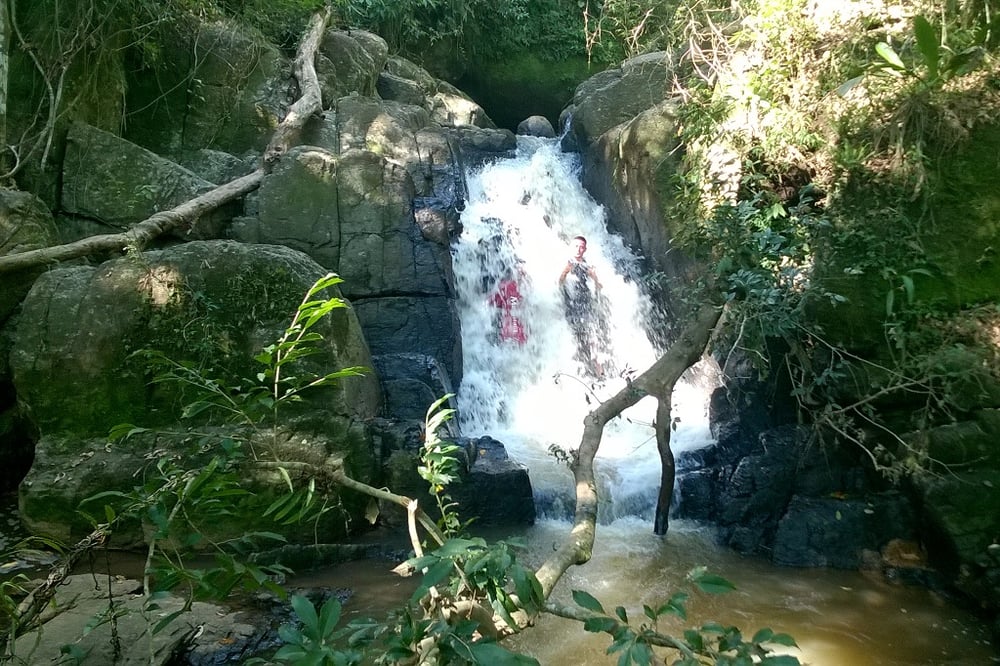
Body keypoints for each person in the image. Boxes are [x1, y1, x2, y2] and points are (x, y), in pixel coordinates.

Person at [558, 236, 604, 376]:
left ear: (585, 249)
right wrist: (565, 272)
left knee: (593, 338)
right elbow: (559, 282)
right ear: (571, 247)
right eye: (576, 246)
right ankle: (573, 372)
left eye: (581, 247)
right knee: (574, 338)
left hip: (586, 304)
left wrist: (595, 278)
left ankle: (599, 371)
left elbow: (598, 286)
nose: (578, 249)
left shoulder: (587, 264)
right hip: (571, 305)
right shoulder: (568, 262)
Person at [489, 264, 527, 345]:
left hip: (507, 333)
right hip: (519, 335)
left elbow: (490, 302)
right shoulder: (524, 290)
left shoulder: (504, 287)